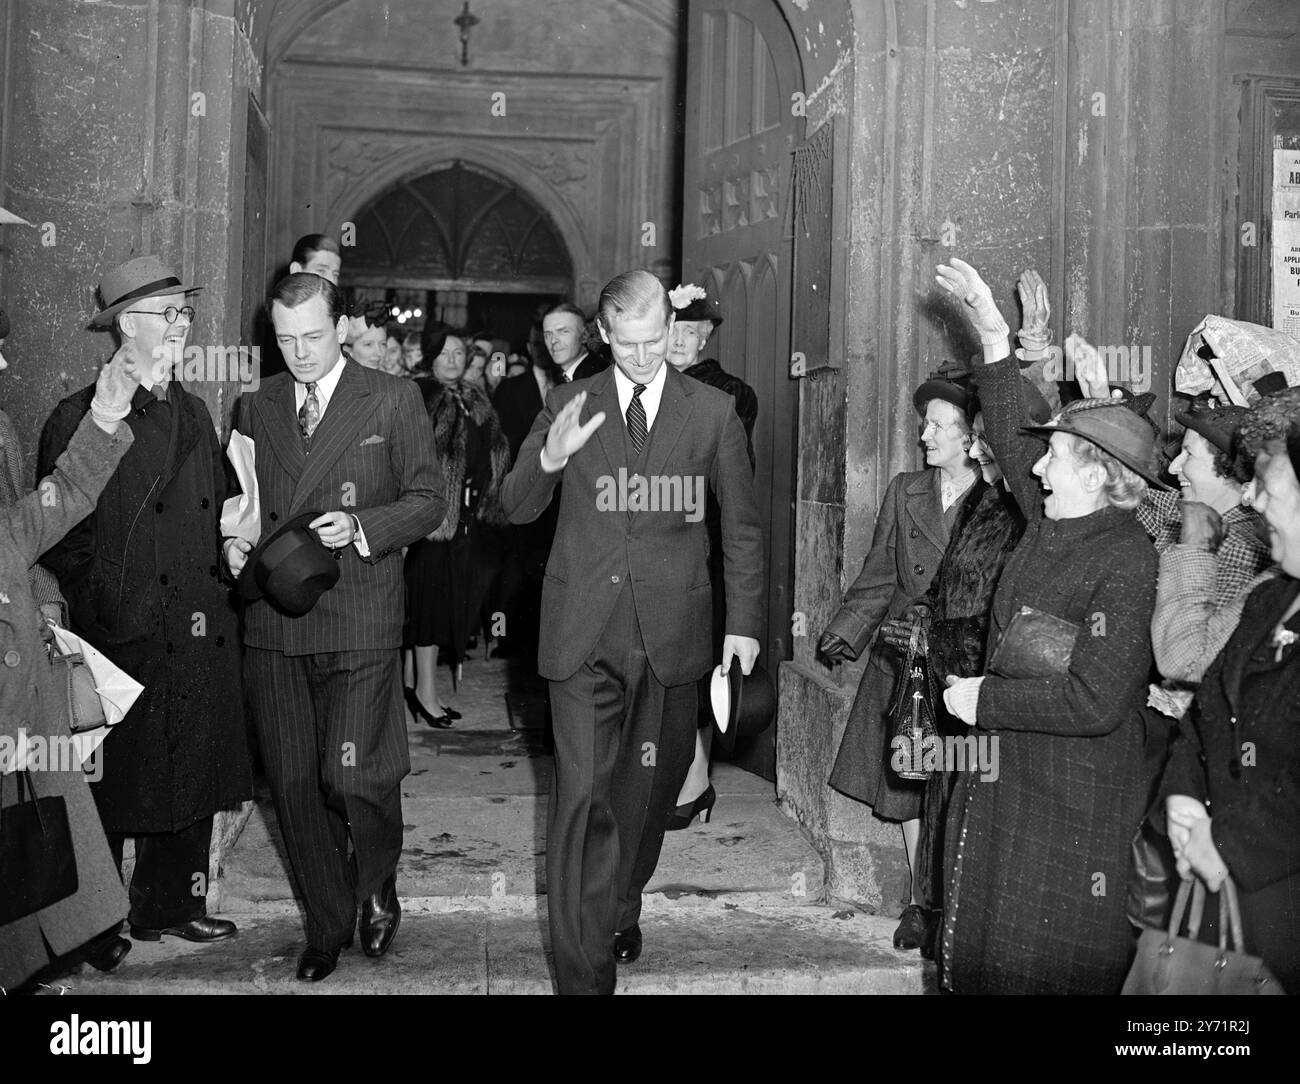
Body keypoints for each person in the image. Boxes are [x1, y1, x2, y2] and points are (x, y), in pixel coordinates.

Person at [501, 269, 764, 995]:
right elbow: (514, 506)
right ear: (604, 335)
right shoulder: (567, 401)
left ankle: (620, 902)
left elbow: (740, 526)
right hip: (581, 636)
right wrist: (551, 460)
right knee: (580, 801)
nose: (646, 357)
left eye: (657, 343)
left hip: (673, 636)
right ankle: (582, 979)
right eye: (630, 344)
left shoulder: (711, 412)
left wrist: (744, 624)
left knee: (644, 804)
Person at [935, 256, 1163, 994]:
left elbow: (1096, 701)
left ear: (1098, 474)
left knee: (1041, 966)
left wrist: (983, 701)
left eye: (1056, 460)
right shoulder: (1051, 522)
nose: (1036, 472)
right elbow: (1010, 436)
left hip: (1072, 804)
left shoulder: (1127, 561)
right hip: (1014, 788)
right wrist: (995, 342)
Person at [226, 272, 445, 982]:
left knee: (352, 775)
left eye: (314, 336)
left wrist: (360, 524)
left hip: (359, 612)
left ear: (343, 326)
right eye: (286, 339)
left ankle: (375, 878)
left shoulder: (392, 397)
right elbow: (242, 503)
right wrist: (232, 543)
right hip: (273, 619)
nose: (300, 352)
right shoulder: (253, 404)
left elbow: (429, 500)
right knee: (292, 783)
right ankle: (325, 923)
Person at [38, 255, 251, 950]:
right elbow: (57, 534)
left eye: (186, 314)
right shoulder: (77, 415)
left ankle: (169, 905)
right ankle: (95, 926)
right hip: (121, 633)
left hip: (194, 623)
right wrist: (106, 609)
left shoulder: (192, 409)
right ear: (127, 326)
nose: (184, 327)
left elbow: (217, 507)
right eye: (170, 315)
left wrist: (233, 547)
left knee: (187, 772)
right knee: (112, 785)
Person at [817, 371, 981, 951]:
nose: (924, 434)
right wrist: (846, 632)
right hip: (904, 662)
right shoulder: (905, 488)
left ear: (971, 437)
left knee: (953, 782)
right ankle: (919, 903)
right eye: (924, 423)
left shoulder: (996, 500)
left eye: (938, 425)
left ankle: (952, 903)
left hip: (960, 665)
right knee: (908, 786)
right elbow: (881, 573)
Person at [0, 349, 145, 992]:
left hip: (21, 712)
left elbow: (56, 503)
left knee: (39, 853)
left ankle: (47, 954)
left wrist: (108, 411)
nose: (7, 361)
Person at [1160, 390, 1300, 990]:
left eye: (1268, 484)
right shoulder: (1273, 598)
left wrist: (1234, 844)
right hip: (1230, 905)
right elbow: (1207, 714)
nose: (1253, 498)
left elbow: (1182, 658)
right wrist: (1184, 797)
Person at [662, 286, 757, 829]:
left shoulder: (731, 395)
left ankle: (696, 780)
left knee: (701, 665)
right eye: (669, 328)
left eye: (688, 331)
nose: (676, 340)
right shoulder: (645, 384)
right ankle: (679, 776)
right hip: (657, 543)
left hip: (706, 546)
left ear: (707, 337)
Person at [403, 328, 510, 726]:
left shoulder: (474, 396)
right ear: (430, 357)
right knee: (427, 607)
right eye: (444, 353)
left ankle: (413, 682)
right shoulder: (418, 395)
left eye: (458, 352)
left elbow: (493, 449)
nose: (452, 359)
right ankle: (426, 695)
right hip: (428, 520)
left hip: (465, 519)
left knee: (443, 601)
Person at [542, 303, 608, 384]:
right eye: (548, 334)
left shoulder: (598, 377)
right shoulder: (559, 377)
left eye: (563, 332)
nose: (553, 341)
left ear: (584, 335)